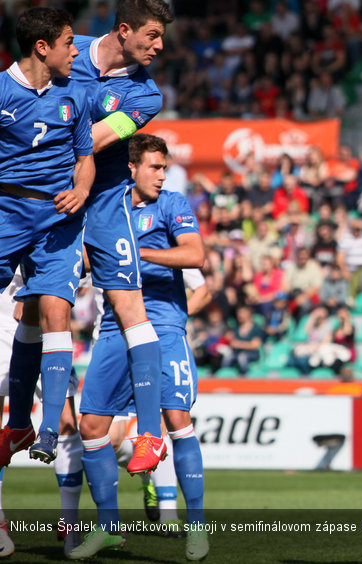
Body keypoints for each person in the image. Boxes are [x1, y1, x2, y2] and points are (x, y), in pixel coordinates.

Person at [71, 134, 209, 561]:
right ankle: (109, 529)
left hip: (163, 326)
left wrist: (137, 253)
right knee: (91, 427)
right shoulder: (106, 206)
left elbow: (195, 254)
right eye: (155, 167)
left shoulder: (172, 205)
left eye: (165, 167)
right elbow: (86, 256)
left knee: (176, 418)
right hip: (114, 326)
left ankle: (196, 528)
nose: (162, 175)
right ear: (130, 167)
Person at [62, 0, 175, 476]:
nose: (160, 45)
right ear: (124, 30)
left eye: (162, 37)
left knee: (132, 307)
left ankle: (149, 435)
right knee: (37, 306)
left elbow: (97, 138)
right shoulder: (69, 52)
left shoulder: (146, 96)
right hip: (48, 198)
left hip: (104, 201)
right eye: (152, 35)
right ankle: (40, 423)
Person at [0, 7, 95, 467]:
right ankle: (19, 425)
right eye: (68, 42)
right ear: (43, 48)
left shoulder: (74, 95)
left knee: (57, 309)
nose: (75, 50)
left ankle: (50, 430)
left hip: (58, 219)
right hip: (6, 212)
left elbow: (86, 157)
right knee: (30, 316)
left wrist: (80, 188)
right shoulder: (0, 91)